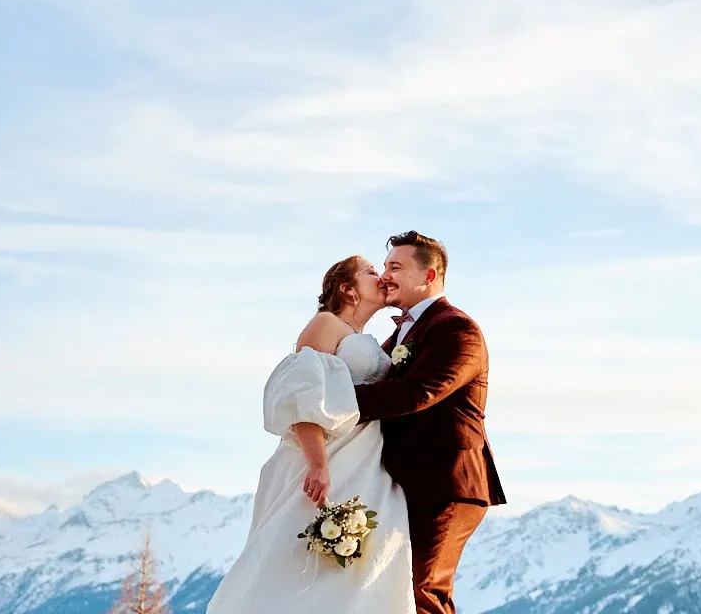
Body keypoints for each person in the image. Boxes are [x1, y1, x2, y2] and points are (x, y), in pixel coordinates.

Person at [205, 256, 415, 613]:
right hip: (328, 456)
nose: (379, 277)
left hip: (367, 461)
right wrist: (317, 464)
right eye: (369, 272)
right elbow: (300, 394)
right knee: (297, 556)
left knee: (369, 561)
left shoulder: (363, 338)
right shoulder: (325, 324)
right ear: (348, 289)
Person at [355, 231, 507, 614]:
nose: (385, 275)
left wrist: (330, 402)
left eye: (396, 267)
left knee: (423, 592)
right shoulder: (399, 334)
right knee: (394, 593)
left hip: (445, 483)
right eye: (385, 266)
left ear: (428, 276)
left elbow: (416, 393)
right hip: (405, 482)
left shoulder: (457, 329)